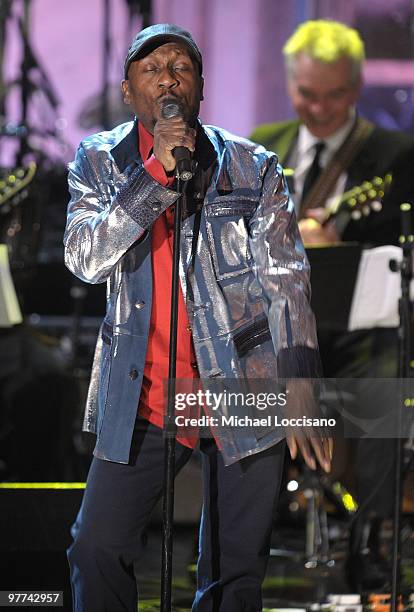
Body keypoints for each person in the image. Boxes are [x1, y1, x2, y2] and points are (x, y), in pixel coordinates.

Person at [64, 23, 331, 612]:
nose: (168, 78)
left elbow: (286, 280)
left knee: (234, 573)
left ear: (201, 88)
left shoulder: (252, 166)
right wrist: (155, 176)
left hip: (244, 383)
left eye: (181, 67)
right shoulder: (98, 162)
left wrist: (301, 382)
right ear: (129, 91)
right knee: (95, 547)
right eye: (152, 69)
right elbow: (85, 259)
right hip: (146, 391)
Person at [251, 19, 414, 592]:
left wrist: (341, 249)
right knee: (237, 370)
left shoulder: (397, 154)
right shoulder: (260, 145)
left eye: (335, 94)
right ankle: (244, 536)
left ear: (357, 86)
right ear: (290, 85)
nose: (320, 108)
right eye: (307, 93)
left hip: (361, 333)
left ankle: (374, 537)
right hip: (276, 333)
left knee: (389, 377)